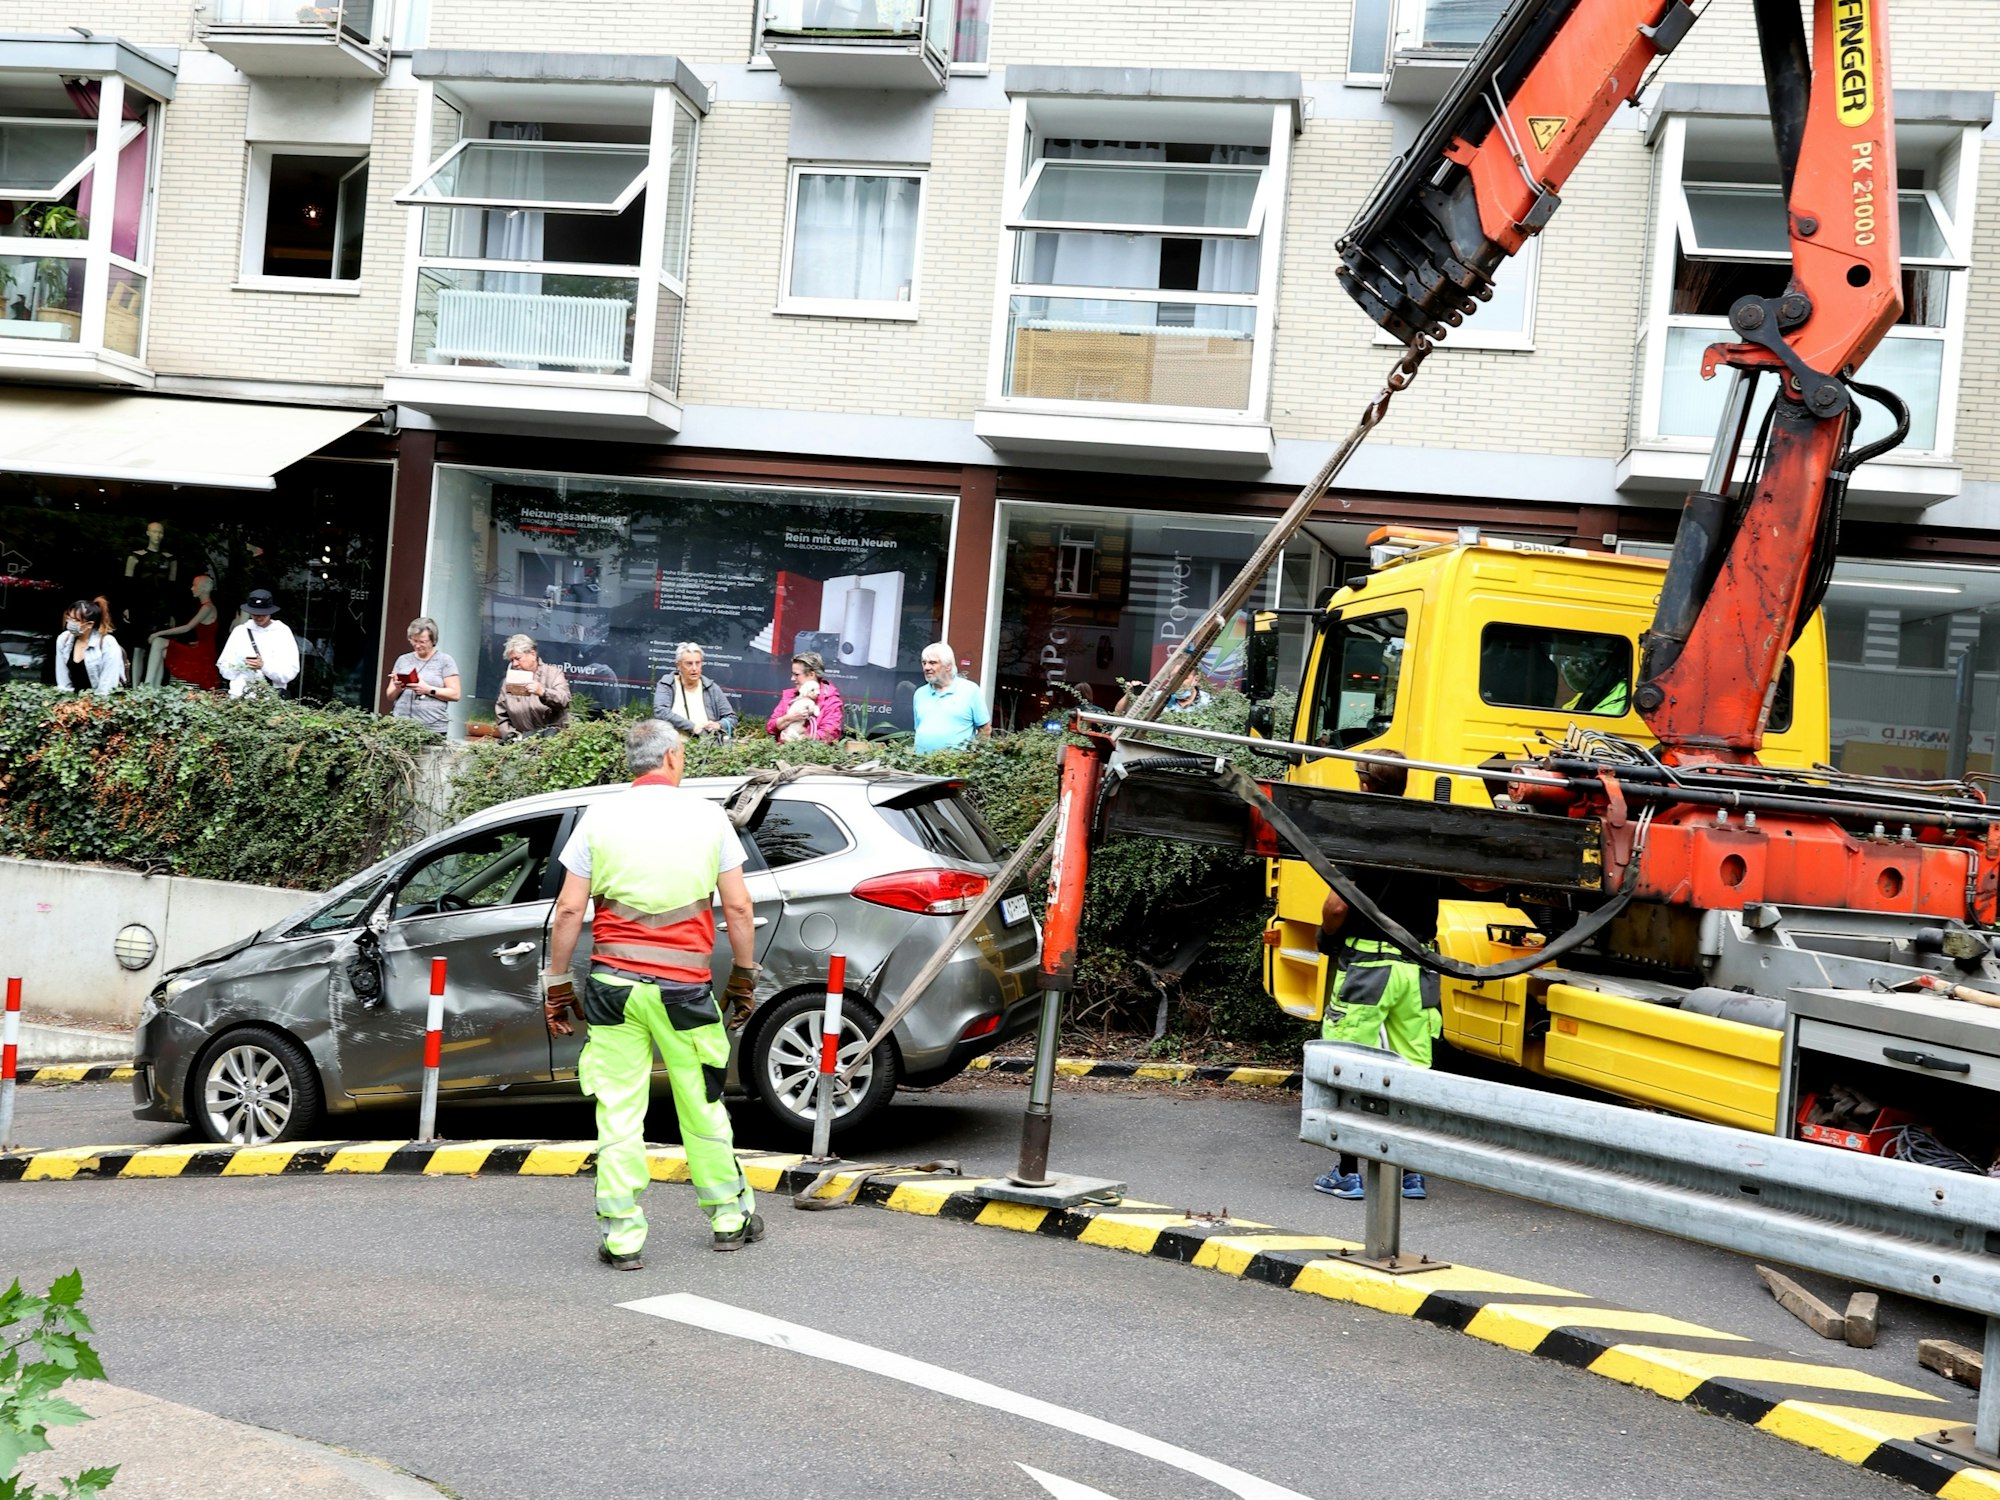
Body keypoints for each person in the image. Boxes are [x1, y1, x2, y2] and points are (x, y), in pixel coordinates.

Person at [542, 719, 763, 1268]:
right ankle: (729, 1218)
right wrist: (743, 977)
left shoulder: (599, 818)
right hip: (684, 989)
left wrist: (556, 983)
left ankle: (622, 1237)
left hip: (613, 989)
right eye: (682, 753)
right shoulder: (709, 818)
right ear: (670, 758)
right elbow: (738, 907)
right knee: (702, 1102)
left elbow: (568, 910)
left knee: (619, 1109)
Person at [1310, 753, 1442, 1203]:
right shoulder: (1428, 833)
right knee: (1414, 1070)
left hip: (1369, 968)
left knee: (1349, 1065)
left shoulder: (1363, 830)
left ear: (1365, 784)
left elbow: (1336, 906)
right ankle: (1410, 1174)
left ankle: (1348, 1173)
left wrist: (1326, 938)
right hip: (1418, 970)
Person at [383, 616, 461, 735]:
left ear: (433, 640)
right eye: (414, 641)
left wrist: (428, 689)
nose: (417, 645)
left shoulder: (445, 661)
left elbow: (455, 694)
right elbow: (390, 696)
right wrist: (398, 687)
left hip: (432, 728)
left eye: (422, 642)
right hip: (400, 726)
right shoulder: (403, 660)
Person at [218, 589, 300, 699]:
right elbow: (224, 666)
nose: (259, 617)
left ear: (270, 612)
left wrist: (264, 666)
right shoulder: (240, 631)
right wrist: (241, 665)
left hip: (270, 699)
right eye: (255, 614)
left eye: (263, 614)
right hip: (239, 697)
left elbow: (289, 672)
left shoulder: (282, 632)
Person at [912, 641, 990, 753]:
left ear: (948, 666)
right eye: (924, 663)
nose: (926, 667)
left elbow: (985, 730)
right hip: (921, 762)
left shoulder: (970, 690)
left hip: (957, 763)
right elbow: (919, 729)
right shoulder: (919, 694)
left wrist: (974, 757)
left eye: (932, 663)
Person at [147, 574, 221, 690]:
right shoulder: (207, 606)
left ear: (203, 588)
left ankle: (148, 685)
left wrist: (159, 633)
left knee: (158, 641)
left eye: (194, 585)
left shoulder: (207, 608)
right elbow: (208, 633)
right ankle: (154, 687)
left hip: (203, 654)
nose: (192, 588)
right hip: (202, 649)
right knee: (161, 650)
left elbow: (187, 627)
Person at [494, 633, 572, 740]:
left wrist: (543, 692)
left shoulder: (553, 674)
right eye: (512, 660)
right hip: (521, 742)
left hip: (552, 742)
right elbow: (501, 715)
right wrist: (512, 736)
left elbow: (565, 700)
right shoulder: (509, 680)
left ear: (533, 654)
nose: (514, 664)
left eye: (517, 658)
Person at [654, 642, 735, 738]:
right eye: (689, 664)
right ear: (678, 665)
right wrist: (692, 727)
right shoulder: (667, 684)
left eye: (698, 663)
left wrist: (719, 725)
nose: (694, 668)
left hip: (705, 744)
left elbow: (731, 718)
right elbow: (661, 712)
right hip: (672, 744)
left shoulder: (712, 688)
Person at [766, 650, 843, 743]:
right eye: (792, 674)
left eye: (796, 674)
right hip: (783, 750)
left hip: (811, 751)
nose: (792, 678)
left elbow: (829, 734)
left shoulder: (831, 700)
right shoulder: (790, 695)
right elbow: (770, 727)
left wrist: (798, 740)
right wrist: (789, 718)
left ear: (811, 675)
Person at [54, 597, 126, 695]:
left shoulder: (107, 643)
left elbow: (108, 685)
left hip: (99, 699)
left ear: (89, 624)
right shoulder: (64, 639)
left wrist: (96, 702)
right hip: (73, 701)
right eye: (69, 618)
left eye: (76, 620)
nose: (70, 623)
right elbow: (63, 680)